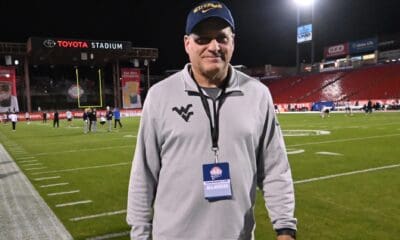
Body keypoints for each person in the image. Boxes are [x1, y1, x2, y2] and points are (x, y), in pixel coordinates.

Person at [126, 2, 297, 240]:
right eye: (202, 39)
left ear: (233, 41)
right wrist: (140, 234)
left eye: (221, 38)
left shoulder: (257, 95)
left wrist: (285, 228)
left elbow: (275, 168)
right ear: (187, 44)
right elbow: (143, 174)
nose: (213, 46)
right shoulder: (160, 96)